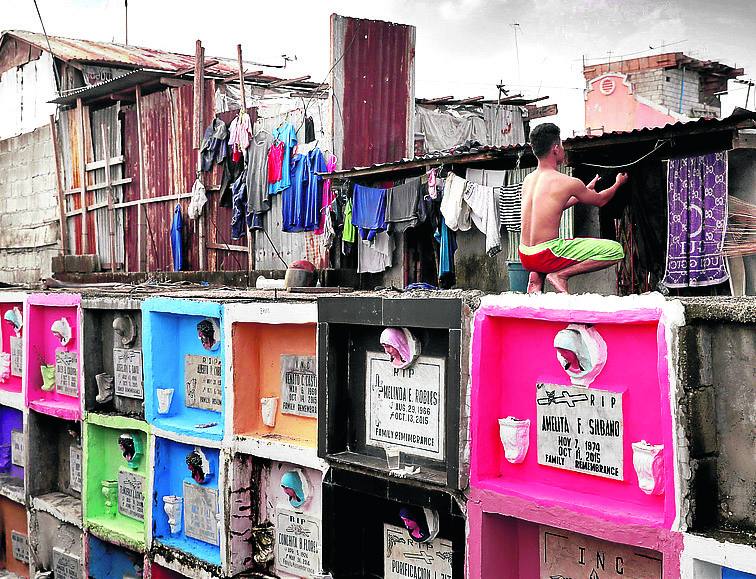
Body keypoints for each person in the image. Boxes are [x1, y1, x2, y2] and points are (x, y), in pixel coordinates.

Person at [520, 123, 628, 293]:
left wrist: (581, 194)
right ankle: (561, 275)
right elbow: (600, 201)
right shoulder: (567, 182)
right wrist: (617, 184)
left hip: (525, 256)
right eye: (562, 145)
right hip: (546, 254)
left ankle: (536, 276)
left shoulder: (528, 180)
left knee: (542, 248)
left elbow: (550, 209)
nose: (563, 148)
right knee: (616, 250)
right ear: (556, 149)